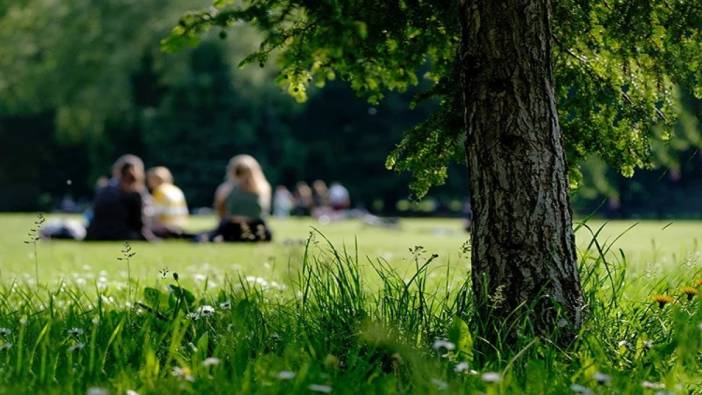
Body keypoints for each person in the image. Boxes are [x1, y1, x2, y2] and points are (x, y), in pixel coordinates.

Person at [202, 155, 272, 242]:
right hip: (241, 227)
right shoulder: (263, 188)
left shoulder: (226, 188)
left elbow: (219, 211)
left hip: (241, 227)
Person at [85, 155, 154, 241]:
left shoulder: (104, 189)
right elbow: (139, 223)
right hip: (122, 234)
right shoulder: (136, 193)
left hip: (96, 233)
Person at [146, 166, 190, 238]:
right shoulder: (177, 190)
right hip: (182, 226)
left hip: (167, 227)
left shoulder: (160, 191)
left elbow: (154, 214)